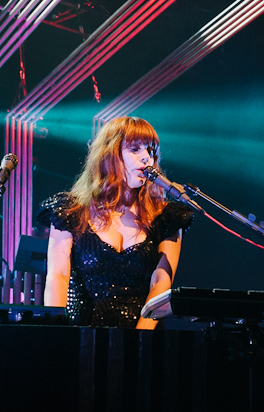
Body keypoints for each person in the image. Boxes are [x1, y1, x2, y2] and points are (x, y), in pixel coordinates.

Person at [37, 116, 193, 329]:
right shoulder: (71, 211)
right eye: (135, 149)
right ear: (110, 154)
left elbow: (160, 285)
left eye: (151, 151)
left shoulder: (166, 216)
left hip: (143, 338)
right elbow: (58, 277)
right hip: (84, 336)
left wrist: (137, 339)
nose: (146, 158)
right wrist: (56, 333)